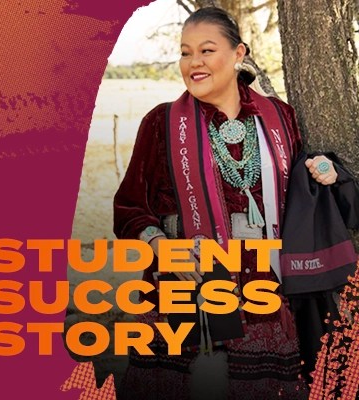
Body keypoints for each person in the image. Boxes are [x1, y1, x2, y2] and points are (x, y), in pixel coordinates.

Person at [113, 7, 341, 400]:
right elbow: (130, 207)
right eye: (185, 52)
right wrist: (161, 247)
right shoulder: (161, 122)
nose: (193, 63)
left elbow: (300, 193)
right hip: (184, 283)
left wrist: (326, 170)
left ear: (239, 53)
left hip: (263, 285)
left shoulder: (279, 117)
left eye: (206, 50)